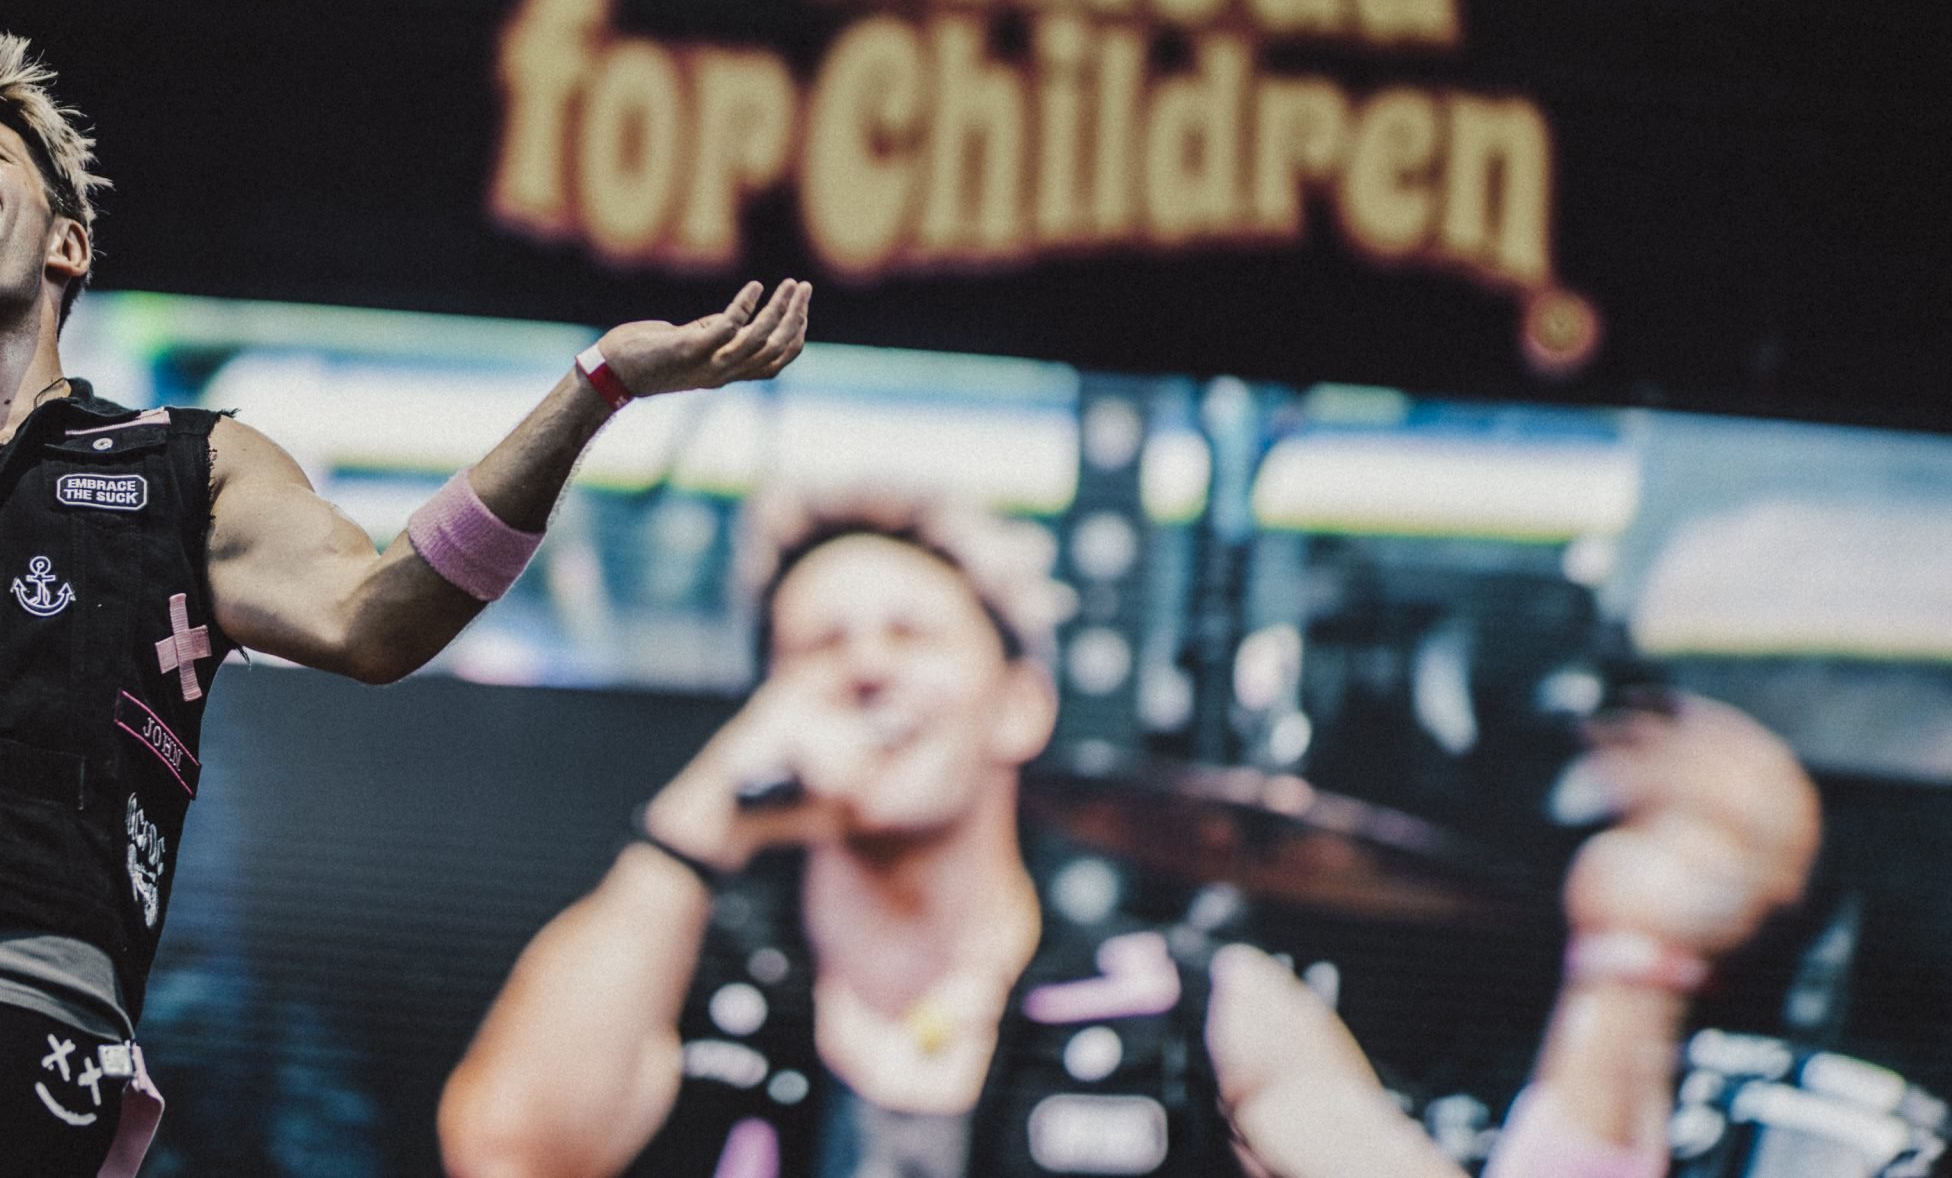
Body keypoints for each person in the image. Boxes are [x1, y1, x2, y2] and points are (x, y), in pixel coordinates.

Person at [0, 31, 812, 1178]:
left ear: (67, 247)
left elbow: (377, 615)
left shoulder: (188, 464)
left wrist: (595, 387)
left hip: (6, 997)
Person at [437, 494, 1819, 1178]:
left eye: (909, 633)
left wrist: (1633, 963)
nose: (860, 671)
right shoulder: (685, 988)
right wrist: (696, 823)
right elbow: (507, 1149)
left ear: (1020, 705)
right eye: (815, 647)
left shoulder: (1195, 1007)